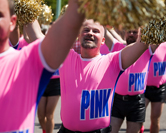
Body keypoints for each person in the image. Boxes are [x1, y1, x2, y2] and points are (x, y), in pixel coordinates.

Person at [0, 0, 84, 133]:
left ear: (12, 22)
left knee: (49, 114)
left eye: (0, 14)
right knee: (41, 116)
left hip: (53, 81)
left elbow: (72, 18)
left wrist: (28, 9)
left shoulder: (24, 60)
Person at [58, 19, 149, 133]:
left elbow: (144, 43)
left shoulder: (112, 61)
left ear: (103, 40)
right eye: (86, 30)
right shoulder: (66, 57)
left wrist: (148, 11)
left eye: (95, 31)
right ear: (79, 36)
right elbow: (36, 37)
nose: (90, 33)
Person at [100, 28, 152, 133]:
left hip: (136, 102)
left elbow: (155, 34)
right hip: (117, 101)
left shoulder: (148, 48)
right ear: (125, 33)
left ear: (140, 34)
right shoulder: (117, 47)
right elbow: (104, 30)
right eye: (129, 32)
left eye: (135, 32)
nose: (131, 34)